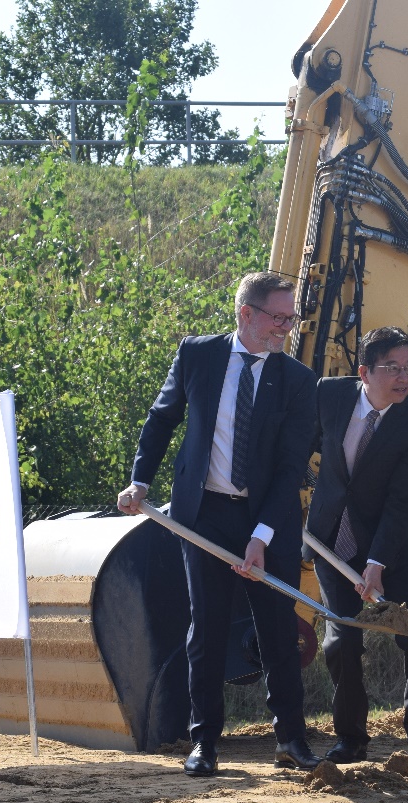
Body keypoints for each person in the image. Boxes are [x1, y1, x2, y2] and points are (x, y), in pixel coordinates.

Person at [117, 271, 322, 777]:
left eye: (291, 318)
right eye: (278, 317)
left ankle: (291, 740)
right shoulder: (198, 355)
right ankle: (204, 742)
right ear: (246, 314)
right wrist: (140, 481)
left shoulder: (297, 380)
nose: (286, 328)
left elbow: (291, 467)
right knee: (206, 629)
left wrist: (260, 539)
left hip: (268, 519)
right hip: (203, 515)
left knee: (279, 631)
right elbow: (162, 418)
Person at [305, 326, 408, 765]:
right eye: (392, 368)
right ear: (365, 372)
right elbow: (296, 448)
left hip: (393, 548)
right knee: (341, 641)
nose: (403, 377)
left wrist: (377, 562)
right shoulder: (328, 395)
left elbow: (403, 502)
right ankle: (351, 739)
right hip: (332, 541)